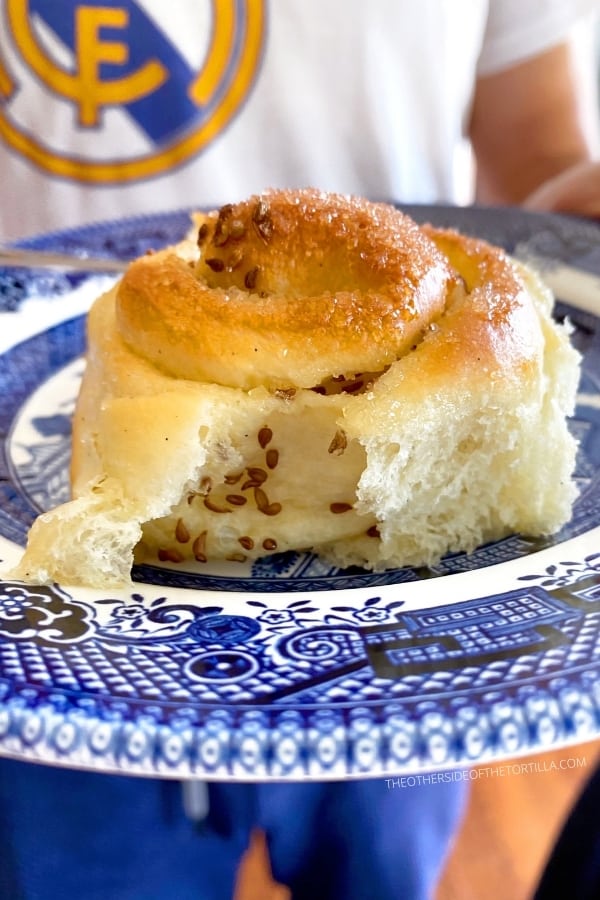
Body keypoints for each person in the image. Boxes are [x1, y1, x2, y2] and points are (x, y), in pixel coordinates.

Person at [0, 3, 599, 899]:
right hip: (63, 661)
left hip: (409, 647)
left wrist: (577, 207)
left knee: (384, 876)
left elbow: (536, 149)